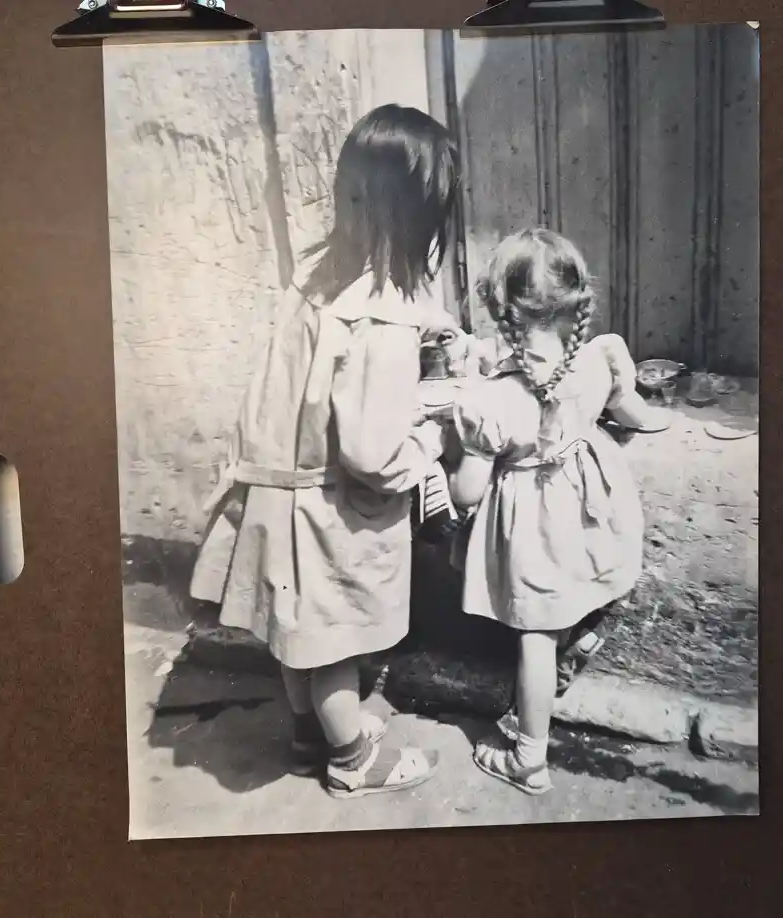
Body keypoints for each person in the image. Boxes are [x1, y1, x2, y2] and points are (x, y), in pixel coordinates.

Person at [189, 104, 460, 797]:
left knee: (296, 633)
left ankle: (309, 734)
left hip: (278, 493)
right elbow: (372, 452)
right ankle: (353, 759)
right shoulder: (384, 313)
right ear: (424, 215)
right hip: (328, 511)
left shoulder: (317, 276)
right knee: (335, 646)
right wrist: (430, 440)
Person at [445, 228, 667, 795]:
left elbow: (467, 493)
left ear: (501, 307)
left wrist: (444, 463)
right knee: (583, 582)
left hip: (532, 524)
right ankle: (582, 635)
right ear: (575, 296)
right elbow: (635, 415)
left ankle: (529, 757)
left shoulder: (488, 397)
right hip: (590, 507)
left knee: (535, 634)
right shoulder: (599, 359)